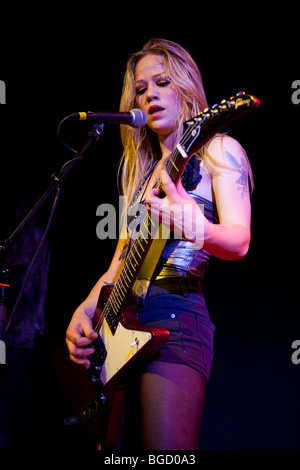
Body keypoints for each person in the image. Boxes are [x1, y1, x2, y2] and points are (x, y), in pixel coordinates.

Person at [65, 38, 253, 450]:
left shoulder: (220, 150)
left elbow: (239, 241)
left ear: (185, 87)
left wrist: (196, 227)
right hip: (122, 331)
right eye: (141, 88)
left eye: (161, 82)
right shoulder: (140, 177)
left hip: (177, 317)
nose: (149, 94)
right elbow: (118, 265)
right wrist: (84, 310)